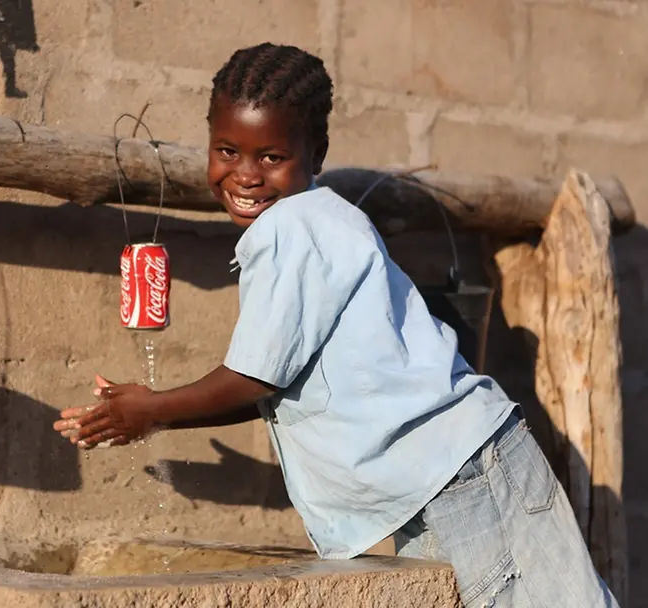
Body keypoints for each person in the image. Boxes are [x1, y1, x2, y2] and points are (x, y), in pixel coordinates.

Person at [53, 42, 618, 608]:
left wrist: (150, 409)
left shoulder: (293, 227)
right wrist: (154, 414)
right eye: (227, 150)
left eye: (270, 157)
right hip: (462, 474)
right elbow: (272, 382)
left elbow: (256, 379)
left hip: (463, 483)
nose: (245, 176)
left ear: (315, 152)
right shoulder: (318, 219)